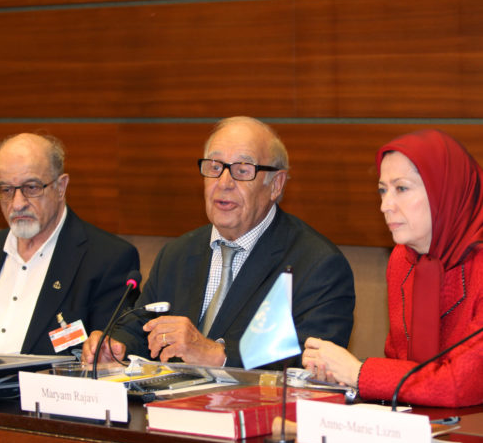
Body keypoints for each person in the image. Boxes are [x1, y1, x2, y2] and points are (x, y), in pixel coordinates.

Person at [82, 116, 355, 368]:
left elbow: (314, 365)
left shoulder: (318, 265)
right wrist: (116, 346)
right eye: (214, 167)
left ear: (276, 184)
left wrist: (217, 355)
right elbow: (141, 328)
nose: (224, 182)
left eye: (243, 170)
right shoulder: (176, 254)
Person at [303, 129, 483, 407]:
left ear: (444, 189)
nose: (386, 206)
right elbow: (400, 364)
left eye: (401, 188)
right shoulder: (403, 260)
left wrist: (358, 372)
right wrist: (342, 378)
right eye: (382, 191)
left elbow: (461, 384)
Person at [0, 133, 140, 355]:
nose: (17, 204)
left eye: (31, 188)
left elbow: (106, 360)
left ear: (60, 186)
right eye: (6, 190)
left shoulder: (108, 260)